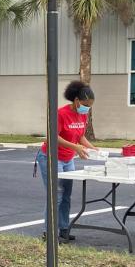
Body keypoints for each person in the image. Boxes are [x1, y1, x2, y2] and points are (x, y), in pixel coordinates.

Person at [35, 80, 100, 242]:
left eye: (90, 106)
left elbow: (81, 136)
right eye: (86, 104)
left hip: (67, 158)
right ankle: (49, 232)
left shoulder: (82, 115)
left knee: (66, 196)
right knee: (55, 196)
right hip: (51, 158)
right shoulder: (60, 114)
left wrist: (92, 148)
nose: (87, 108)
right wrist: (76, 147)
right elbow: (52, 137)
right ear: (77, 100)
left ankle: (64, 228)